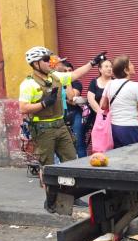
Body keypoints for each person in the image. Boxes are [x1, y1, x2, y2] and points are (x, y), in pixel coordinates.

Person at [19, 46, 106, 212]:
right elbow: (23, 108)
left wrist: (93, 62)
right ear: (36, 64)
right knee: (48, 167)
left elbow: (74, 75)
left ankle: (72, 196)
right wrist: (43, 104)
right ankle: (51, 201)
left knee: (71, 161)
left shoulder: (55, 76)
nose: (50, 62)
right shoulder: (28, 84)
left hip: (60, 125)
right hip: (43, 129)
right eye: (46, 60)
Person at [100, 55, 138, 148]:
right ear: (126, 70)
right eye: (131, 64)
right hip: (130, 128)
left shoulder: (110, 84)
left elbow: (103, 106)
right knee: (133, 154)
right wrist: (133, 105)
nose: (133, 65)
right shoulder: (135, 85)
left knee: (118, 154)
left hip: (114, 127)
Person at [60, 60, 88, 158]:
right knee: (61, 144)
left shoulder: (76, 83)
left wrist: (67, 81)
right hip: (60, 115)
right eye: (65, 71)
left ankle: (83, 165)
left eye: (70, 70)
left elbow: (72, 98)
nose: (67, 73)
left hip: (75, 114)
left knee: (78, 141)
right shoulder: (55, 83)